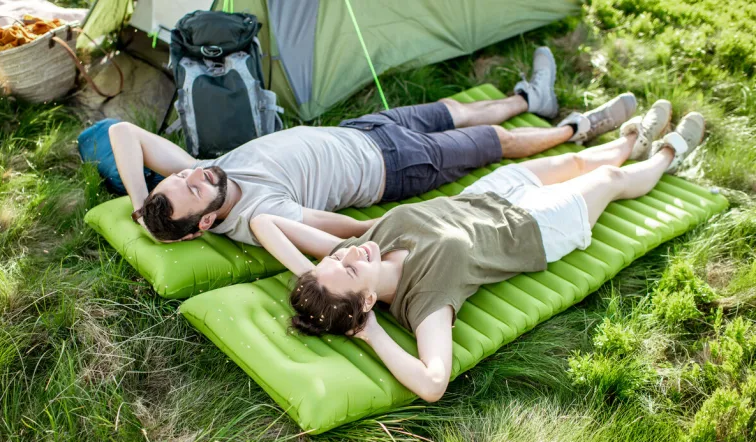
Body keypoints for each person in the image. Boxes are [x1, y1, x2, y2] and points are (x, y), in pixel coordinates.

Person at [249, 99, 705, 402]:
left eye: (334, 259)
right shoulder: (425, 300)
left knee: (576, 161)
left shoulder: (359, 252)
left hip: (489, 196)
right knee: (609, 181)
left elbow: (263, 221)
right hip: (536, 228)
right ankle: (667, 154)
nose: (347, 256)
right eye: (345, 272)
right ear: (368, 302)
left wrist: (309, 274)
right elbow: (432, 383)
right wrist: (369, 332)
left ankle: (629, 141)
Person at [109, 46, 636, 245]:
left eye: (182, 175)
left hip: (362, 129)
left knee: (457, 108)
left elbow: (123, 133)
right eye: (190, 186)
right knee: (493, 143)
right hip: (395, 166)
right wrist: (371, 230)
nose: (194, 174)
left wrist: (139, 199)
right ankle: (576, 130)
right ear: (205, 222)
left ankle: (530, 97)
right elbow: (333, 228)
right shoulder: (257, 218)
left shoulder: (209, 174)